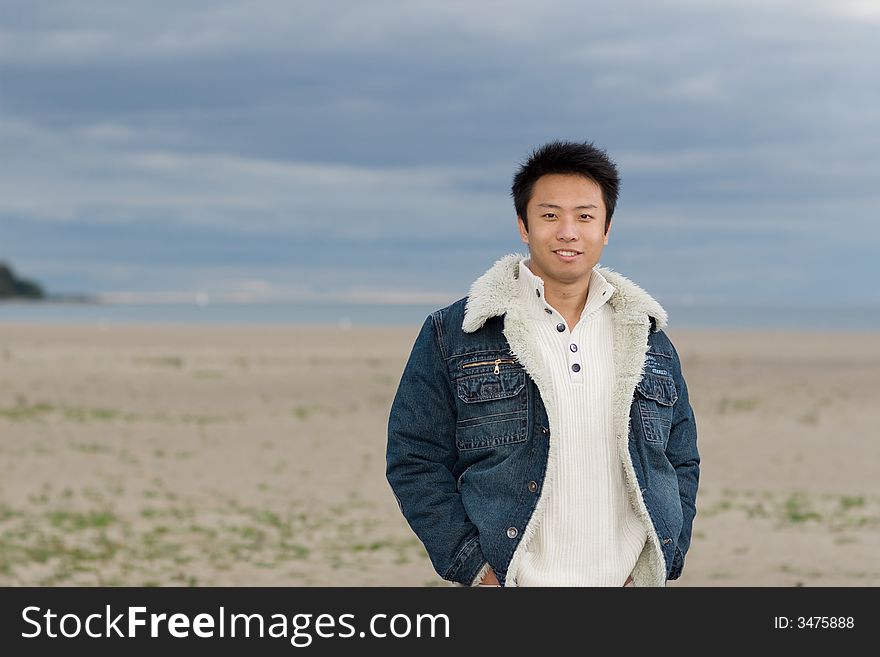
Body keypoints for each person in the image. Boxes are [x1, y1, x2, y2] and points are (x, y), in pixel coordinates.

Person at [386, 140, 699, 587]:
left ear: (606, 228)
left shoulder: (647, 336)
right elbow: (414, 458)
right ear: (523, 225)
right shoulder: (455, 332)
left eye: (585, 216)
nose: (568, 231)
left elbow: (680, 459)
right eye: (550, 215)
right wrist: (477, 570)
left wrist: (659, 559)